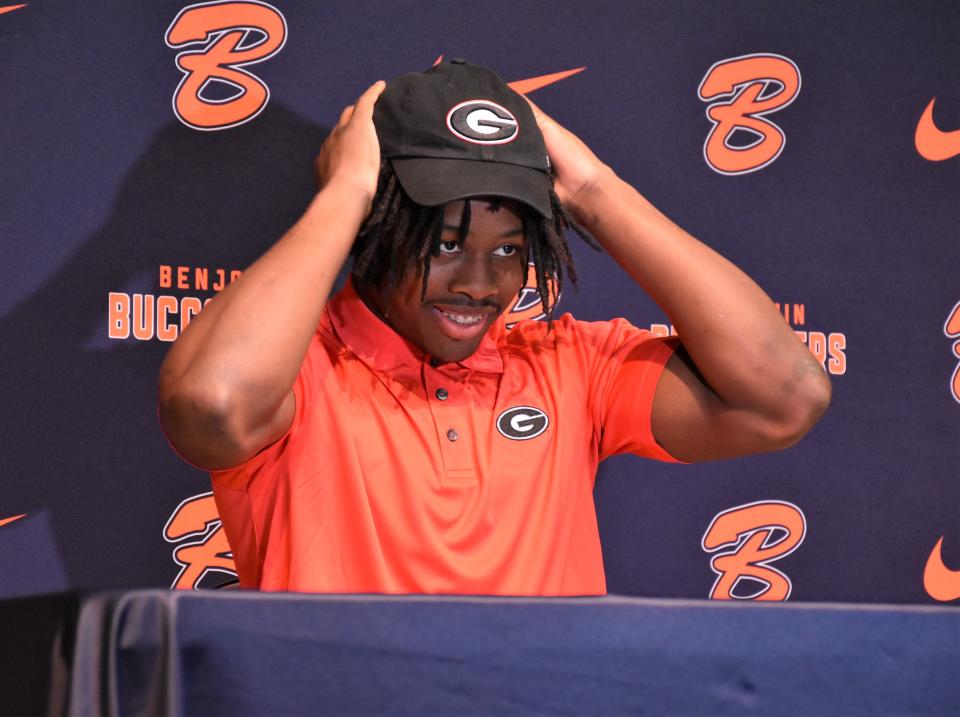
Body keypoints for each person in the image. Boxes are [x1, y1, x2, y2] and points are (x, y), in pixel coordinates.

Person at [158, 61, 830, 594]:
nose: (479, 282)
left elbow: (785, 396)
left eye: (509, 249)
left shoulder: (568, 365)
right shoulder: (300, 369)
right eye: (445, 243)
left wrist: (596, 192)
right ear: (379, 226)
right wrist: (344, 192)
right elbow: (211, 407)